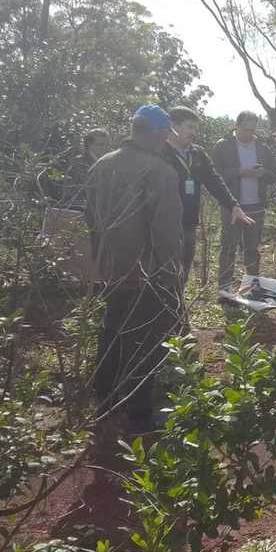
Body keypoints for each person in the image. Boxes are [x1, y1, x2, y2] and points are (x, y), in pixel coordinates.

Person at [85, 105, 184, 435]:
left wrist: (99, 263)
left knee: (110, 332)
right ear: (158, 134)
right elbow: (167, 235)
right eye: (166, 135)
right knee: (145, 342)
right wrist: (170, 277)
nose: (166, 141)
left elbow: (89, 222)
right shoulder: (161, 172)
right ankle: (139, 417)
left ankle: (103, 401)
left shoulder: (100, 165)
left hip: (109, 270)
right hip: (147, 276)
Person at [161, 106, 254, 290]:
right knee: (164, 272)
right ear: (173, 126)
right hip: (162, 225)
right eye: (190, 127)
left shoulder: (197, 153)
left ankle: (177, 311)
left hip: (187, 223)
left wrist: (233, 205)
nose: (194, 133)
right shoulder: (158, 152)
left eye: (196, 128)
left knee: (183, 272)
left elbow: (214, 181)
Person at [212, 111, 276, 292]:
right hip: (232, 206)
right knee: (228, 248)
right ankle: (224, 289)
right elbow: (214, 175)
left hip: (256, 206)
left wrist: (262, 173)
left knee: (251, 249)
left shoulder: (263, 149)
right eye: (245, 129)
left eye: (252, 130)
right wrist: (240, 171)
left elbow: (274, 176)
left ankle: (252, 287)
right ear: (236, 125)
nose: (249, 134)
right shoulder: (223, 146)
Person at [60, 128, 108, 210]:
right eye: (100, 144)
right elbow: (71, 190)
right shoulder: (78, 163)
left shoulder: (106, 162)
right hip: (79, 209)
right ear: (89, 144)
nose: (103, 148)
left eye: (105, 145)